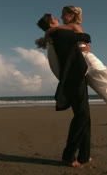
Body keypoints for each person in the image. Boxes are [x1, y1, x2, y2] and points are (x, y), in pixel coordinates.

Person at [37, 13, 92, 168]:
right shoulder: (59, 32)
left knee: (85, 118)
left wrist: (83, 48)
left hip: (76, 76)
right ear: (51, 23)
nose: (58, 19)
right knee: (82, 117)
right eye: (55, 18)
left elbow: (75, 47)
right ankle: (68, 156)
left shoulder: (57, 34)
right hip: (73, 78)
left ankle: (84, 156)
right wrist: (81, 40)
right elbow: (86, 36)